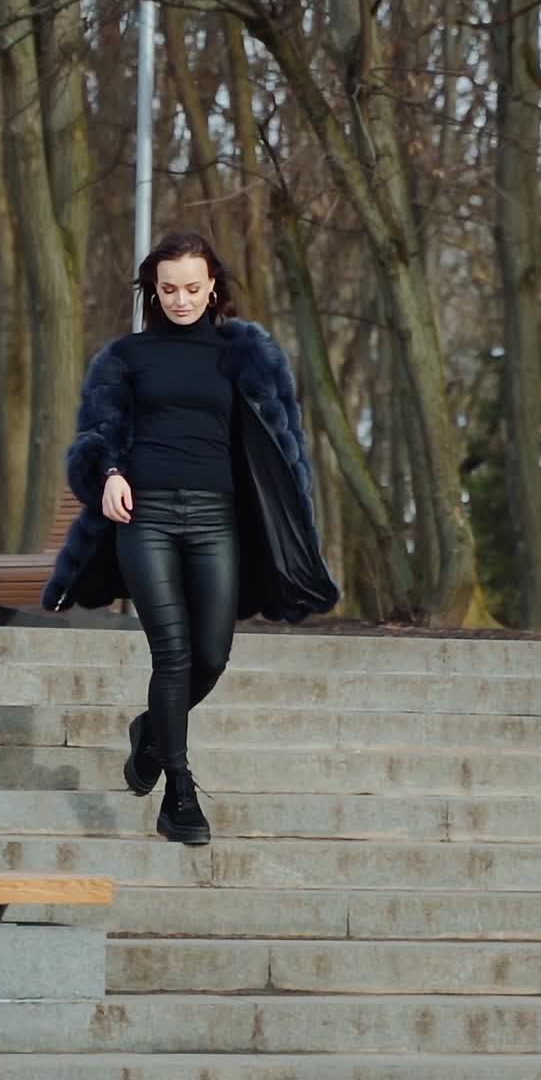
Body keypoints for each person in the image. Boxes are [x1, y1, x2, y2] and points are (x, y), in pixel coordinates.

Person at [43, 230, 339, 846]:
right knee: (172, 655)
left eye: (193, 288)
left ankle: (150, 733)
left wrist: (292, 524)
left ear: (213, 288)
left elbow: (284, 448)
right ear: (154, 289)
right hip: (143, 518)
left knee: (211, 656)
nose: (181, 300)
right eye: (169, 288)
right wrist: (109, 473)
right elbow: (93, 436)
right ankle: (178, 793)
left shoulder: (246, 354)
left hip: (218, 520)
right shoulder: (125, 356)